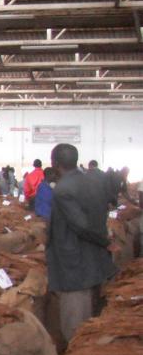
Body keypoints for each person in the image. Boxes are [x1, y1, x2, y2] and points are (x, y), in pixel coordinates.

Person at [47, 144, 117, 340]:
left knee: (74, 324)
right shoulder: (93, 182)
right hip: (91, 258)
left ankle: (76, 354)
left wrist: (105, 242)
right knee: (88, 314)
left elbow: (82, 226)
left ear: (55, 163)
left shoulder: (63, 190)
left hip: (74, 263)